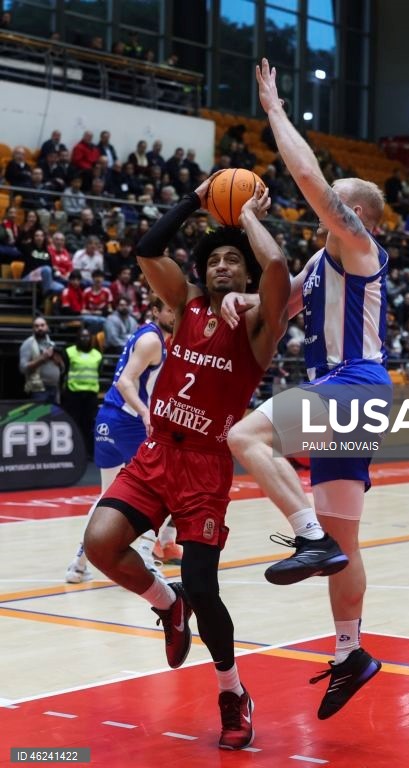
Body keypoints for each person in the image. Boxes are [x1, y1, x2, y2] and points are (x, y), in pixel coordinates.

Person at [82, 175, 294, 751]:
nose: (224, 266)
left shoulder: (257, 324)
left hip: (204, 464)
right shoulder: (183, 305)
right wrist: (197, 201)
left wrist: (247, 217)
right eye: (215, 259)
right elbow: (148, 249)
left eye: (234, 261)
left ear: (246, 275)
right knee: (101, 543)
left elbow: (278, 270)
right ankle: (165, 604)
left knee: (205, 585)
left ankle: (232, 691)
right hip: (157, 453)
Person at [224, 58, 392, 722]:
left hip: (353, 383)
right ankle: (351, 652)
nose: (323, 201)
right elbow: (275, 299)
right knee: (346, 539)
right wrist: (245, 230)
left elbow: (309, 180)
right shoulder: (324, 262)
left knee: (245, 435)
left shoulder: (360, 249)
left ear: (356, 215)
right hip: (349, 394)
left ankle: (305, 533)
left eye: (334, 197)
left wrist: (274, 111)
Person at [66, 298, 181, 583]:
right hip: (127, 421)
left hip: (107, 419)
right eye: (169, 310)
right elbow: (124, 382)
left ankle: (78, 564)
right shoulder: (153, 340)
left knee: (107, 497)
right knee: (164, 488)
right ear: (155, 311)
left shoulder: (147, 335)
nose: (174, 316)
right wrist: (145, 413)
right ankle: (145, 555)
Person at [62, 328, 103, 458]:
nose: (84, 339)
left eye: (87, 336)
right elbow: (64, 372)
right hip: (74, 394)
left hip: (91, 395)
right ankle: (74, 452)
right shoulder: (69, 352)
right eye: (82, 336)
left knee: (90, 424)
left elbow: (99, 372)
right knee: (75, 423)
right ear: (77, 338)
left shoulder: (98, 355)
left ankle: (89, 452)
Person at [19, 317, 65, 403]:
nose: (40, 328)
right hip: (38, 389)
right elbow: (23, 368)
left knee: (52, 416)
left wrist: (59, 362)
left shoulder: (52, 344)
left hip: (54, 388)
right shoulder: (28, 344)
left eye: (42, 325)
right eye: (36, 326)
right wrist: (42, 359)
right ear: (33, 328)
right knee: (40, 416)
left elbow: (62, 369)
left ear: (47, 327)